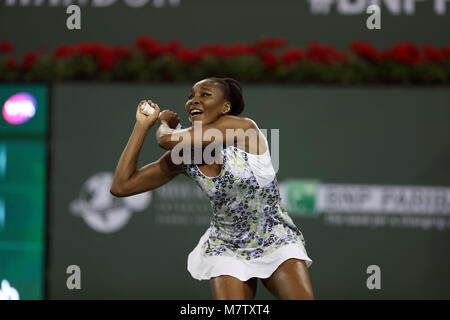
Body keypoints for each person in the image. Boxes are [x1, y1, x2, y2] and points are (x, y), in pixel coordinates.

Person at [110, 77, 314, 300]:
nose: (193, 101)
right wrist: (141, 126)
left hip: (274, 238)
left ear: (225, 107)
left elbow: (166, 140)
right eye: (190, 97)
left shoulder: (243, 128)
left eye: (204, 95)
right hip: (225, 246)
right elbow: (122, 186)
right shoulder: (186, 155)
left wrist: (163, 125)